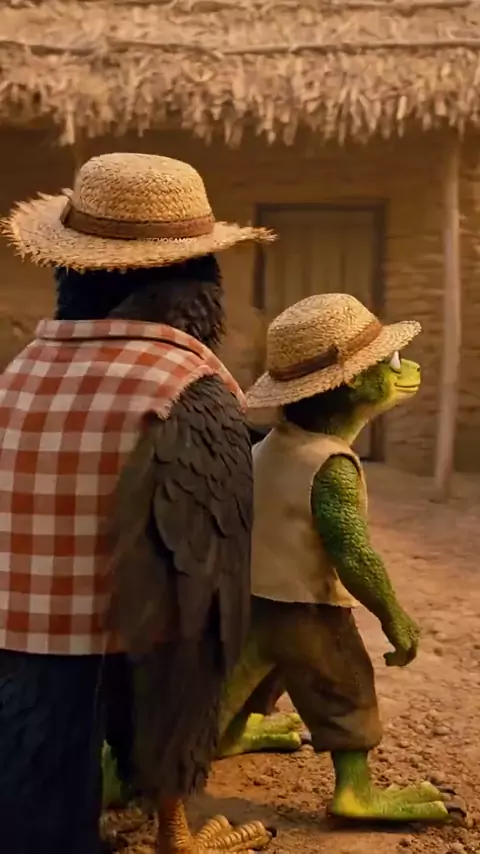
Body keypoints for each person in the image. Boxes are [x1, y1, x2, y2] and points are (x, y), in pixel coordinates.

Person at [0, 152, 275, 854]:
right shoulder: (192, 393)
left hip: (16, 659)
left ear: (69, 271)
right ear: (201, 276)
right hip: (129, 654)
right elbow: (196, 618)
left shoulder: (19, 375)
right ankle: (172, 831)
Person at [217, 293, 461, 823]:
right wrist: (393, 615)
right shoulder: (330, 466)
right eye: (391, 363)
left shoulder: (264, 448)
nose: (407, 370)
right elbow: (351, 551)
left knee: (251, 676)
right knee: (345, 685)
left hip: (252, 597)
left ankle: (226, 735)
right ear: (353, 383)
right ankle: (355, 792)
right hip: (307, 607)